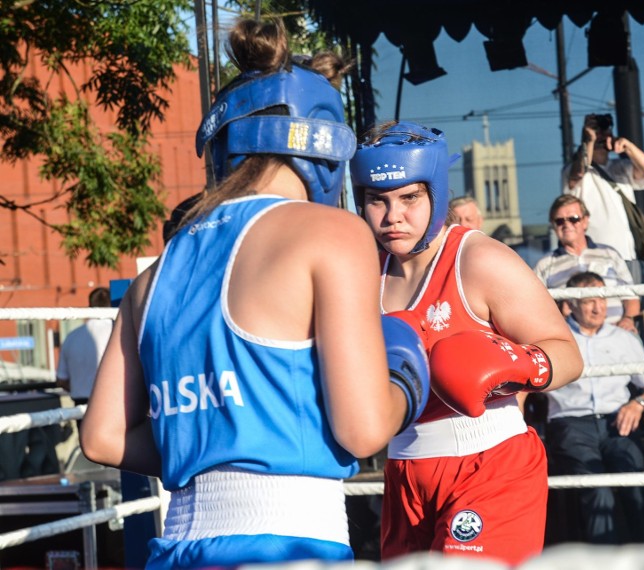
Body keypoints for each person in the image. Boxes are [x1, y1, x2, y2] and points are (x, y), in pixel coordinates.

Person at [80, 18, 430, 569]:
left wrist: (210, 437)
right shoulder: (332, 234)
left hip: (174, 548)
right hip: (287, 544)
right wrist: (405, 384)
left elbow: (101, 438)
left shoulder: (156, 273)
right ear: (325, 144)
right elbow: (362, 430)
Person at [349, 121, 583, 565]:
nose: (392, 215)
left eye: (409, 197)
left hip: (489, 464)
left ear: (435, 192)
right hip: (405, 470)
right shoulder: (362, 270)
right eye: (377, 200)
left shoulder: (477, 259)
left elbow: (567, 354)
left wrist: (514, 364)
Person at [547, 271, 644, 544]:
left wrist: (639, 403)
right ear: (570, 304)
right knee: (597, 490)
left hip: (618, 421)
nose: (598, 307)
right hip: (571, 425)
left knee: (635, 483)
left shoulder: (623, 338)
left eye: (601, 299)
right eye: (588, 301)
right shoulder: (554, 337)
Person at [564, 113, 644, 283]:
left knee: (632, 306)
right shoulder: (575, 170)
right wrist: (589, 140)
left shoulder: (621, 167)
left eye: (605, 130)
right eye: (596, 130)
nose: (600, 135)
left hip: (627, 255)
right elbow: (577, 172)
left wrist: (627, 145)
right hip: (596, 257)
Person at [534, 194, 640, 334]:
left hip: (616, 331)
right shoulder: (544, 264)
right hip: (571, 337)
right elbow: (535, 307)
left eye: (573, 219)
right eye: (560, 221)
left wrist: (628, 319)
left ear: (585, 221)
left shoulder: (610, 254)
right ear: (553, 225)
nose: (567, 225)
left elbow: (631, 296)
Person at [56, 287, 113, 406]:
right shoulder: (118, 333)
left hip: (81, 401)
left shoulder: (71, 337)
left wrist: (80, 388)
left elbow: (61, 380)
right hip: (110, 401)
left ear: (90, 307)